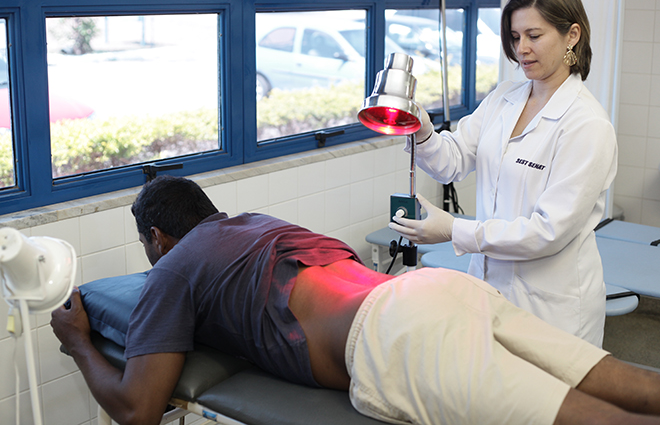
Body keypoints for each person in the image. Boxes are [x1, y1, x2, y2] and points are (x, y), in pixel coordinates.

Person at [51, 175, 660, 425]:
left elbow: (139, 409)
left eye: (148, 248)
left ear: (157, 237)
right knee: (613, 379)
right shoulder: (255, 225)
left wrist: (78, 341)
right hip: (437, 287)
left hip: (400, 340)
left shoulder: (172, 269)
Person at [388, 0, 617, 347]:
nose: (521, 48)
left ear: (572, 34)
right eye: (514, 36)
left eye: (534, 35)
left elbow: (546, 233)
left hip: (551, 310)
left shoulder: (587, 126)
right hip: (488, 291)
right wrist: (422, 128)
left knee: (542, 400)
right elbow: (452, 161)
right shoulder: (503, 98)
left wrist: (454, 230)